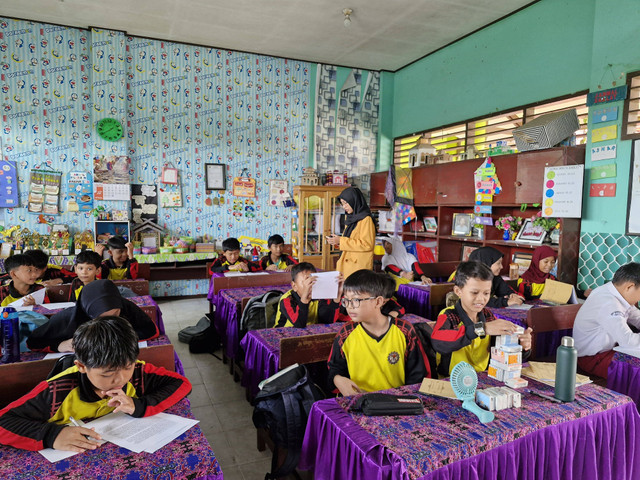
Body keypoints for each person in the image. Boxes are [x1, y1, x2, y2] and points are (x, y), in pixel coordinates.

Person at [0, 316, 191, 452]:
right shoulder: (57, 391)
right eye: (107, 374)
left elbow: (182, 384)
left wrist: (139, 405)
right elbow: (4, 421)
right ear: (81, 366)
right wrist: (51, 435)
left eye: (127, 367)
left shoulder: (138, 373)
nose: (120, 379)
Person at [327, 269, 430, 396]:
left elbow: (418, 375)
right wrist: (337, 379)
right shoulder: (346, 333)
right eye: (346, 300)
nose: (349, 306)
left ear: (378, 301)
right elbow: (334, 369)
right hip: (360, 401)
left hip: (397, 402)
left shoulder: (404, 331)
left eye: (356, 300)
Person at [431, 261, 532, 377]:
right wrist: (482, 329)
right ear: (458, 291)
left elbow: (501, 351)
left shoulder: (488, 316)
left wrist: (521, 346)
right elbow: (438, 342)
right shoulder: (449, 315)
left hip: (482, 377)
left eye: (486, 293)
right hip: (451, 381)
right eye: (474, 293)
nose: (481, 299)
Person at [27, 279, 158, 352]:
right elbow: (33, 342)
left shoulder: (126, 308)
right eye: (101, 318)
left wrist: (121, 338)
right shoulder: (67, 319)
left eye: (115, 314)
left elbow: (151, 330)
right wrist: (60, 345)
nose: (110, 322)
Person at [574, 263, 640, 378]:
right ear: (629, 287)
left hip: (609, 351)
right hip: (592, 359)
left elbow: (637, 317)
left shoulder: (616, 293)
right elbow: (627, 341)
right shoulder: (608, 302)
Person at [274, 262, 346, 328]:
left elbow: (328, 320)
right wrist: (305, 299)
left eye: (312, 281)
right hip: (284, 334)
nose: (309, 286)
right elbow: (299, 324)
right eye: (306, 282)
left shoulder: (320, 296)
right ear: (294, 286)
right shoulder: (287, 300)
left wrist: (337, 298)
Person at [326, 187, 376, 280]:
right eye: (342, 204)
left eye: (346, 203)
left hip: (358, 268)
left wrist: (341, 240)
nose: (344, 207)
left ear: (354, 201)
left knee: (355, 293)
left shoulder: (366, 220)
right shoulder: (350, 218)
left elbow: (367, 244)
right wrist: (337, 242)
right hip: (348, 264)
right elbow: (350, 239)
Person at [449, 247, 524, 308]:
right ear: (486, 263)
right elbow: (478, 300)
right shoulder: (468, 278)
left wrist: (512, 295)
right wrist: (506, 302)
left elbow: (505, 290)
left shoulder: (494, 277)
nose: (501, 267)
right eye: (498, 263)